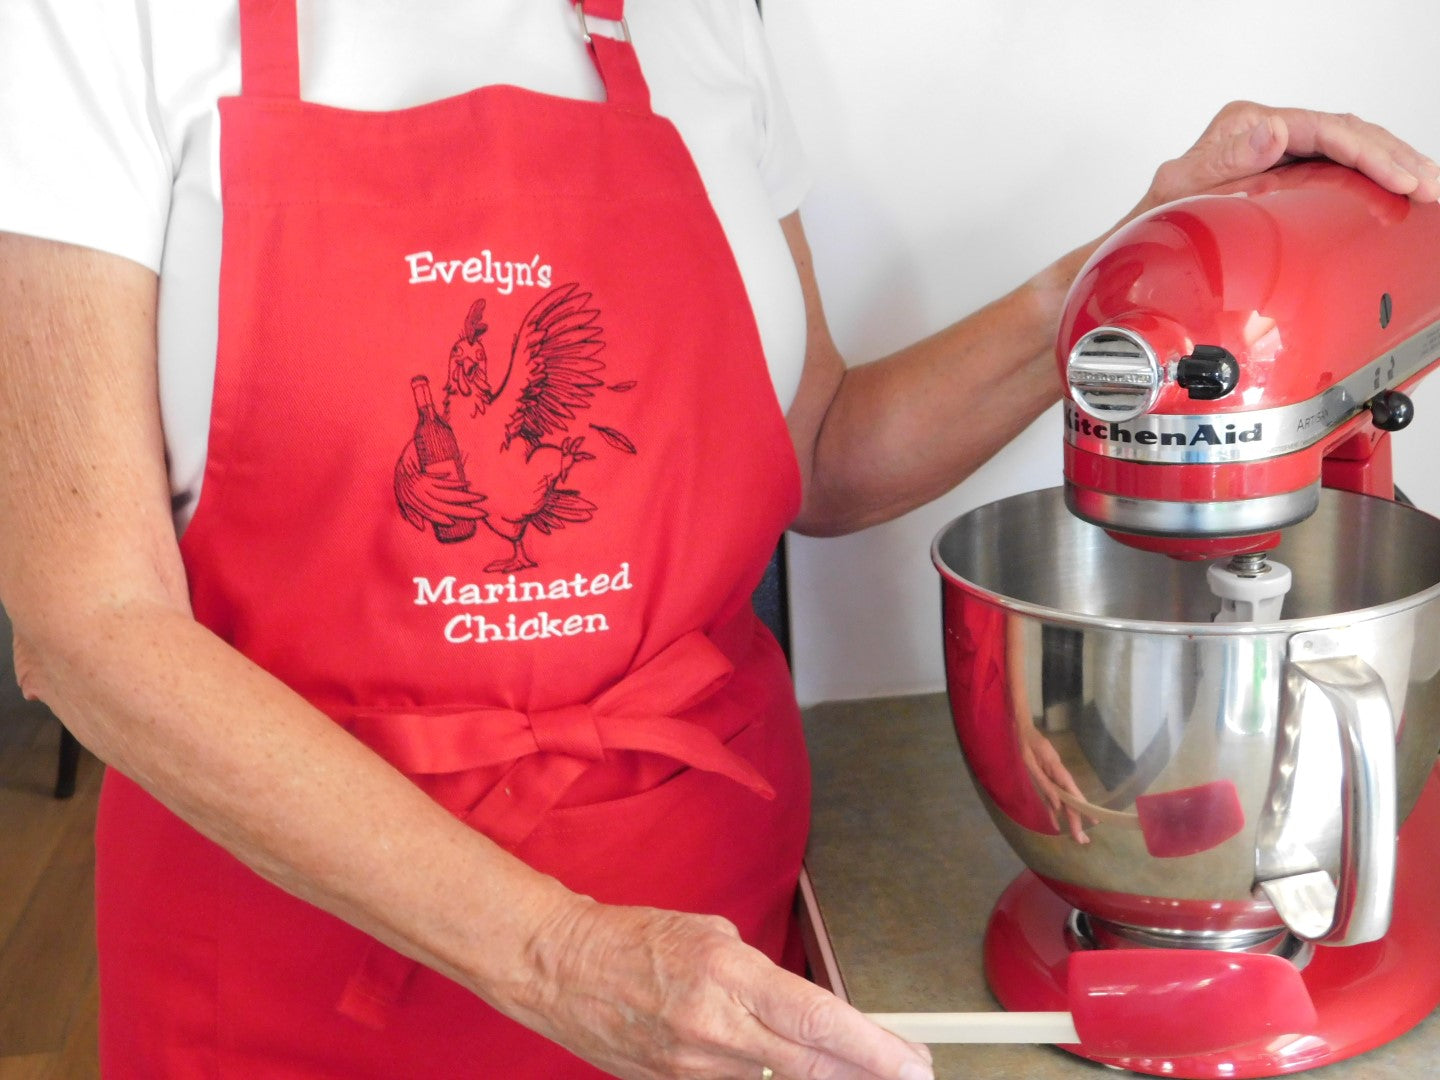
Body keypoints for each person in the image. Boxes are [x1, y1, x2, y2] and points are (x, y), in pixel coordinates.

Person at [1, 2, 1436, 1078]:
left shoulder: (691, 23)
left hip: (715, 955)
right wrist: (558, 954)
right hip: (294, 966)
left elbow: (813, 450)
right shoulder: (102, 22)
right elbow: (84, 624)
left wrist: (1133, 261)